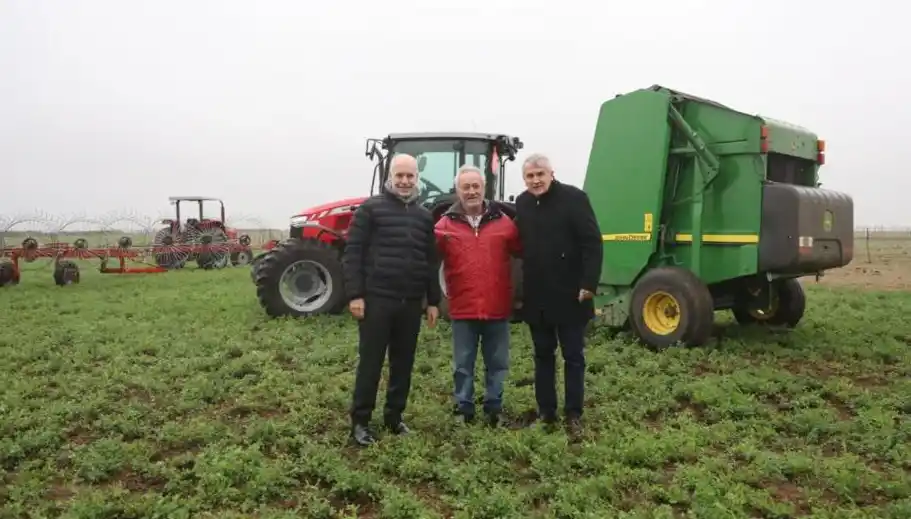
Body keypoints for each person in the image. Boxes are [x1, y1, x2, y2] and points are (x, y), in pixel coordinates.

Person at [342, 153, 441, 447]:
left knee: (403, 363)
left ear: (416, 179)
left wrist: (432, 300)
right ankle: (360, 422)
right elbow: (353, 253)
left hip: (409, 303)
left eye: (410, 176)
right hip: (376, 301)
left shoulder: (424, 216)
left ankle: (394, 417)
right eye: (400, 175)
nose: (405, 181)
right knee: (371, 363)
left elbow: (429, 261)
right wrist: (355, 294)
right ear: (390, 176)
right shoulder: (371, 210)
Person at [514, 153, 603, 434]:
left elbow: (592, 243)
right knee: (543, 355)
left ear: (552, 173)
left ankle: (574, 413)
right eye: (530, 176)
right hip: (537, 295)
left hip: (571, 294)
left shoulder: (574, 199)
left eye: (540, 174)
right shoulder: (523, 203)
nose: (536, 180)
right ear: (525, 179)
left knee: (573, 356)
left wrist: (588, 284)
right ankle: (546, 412)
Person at [434, 164, 521, 427]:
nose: (471, 191)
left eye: (476, 186)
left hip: (497, 307)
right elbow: (424, 260)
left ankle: (494, 408)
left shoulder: (505, 224)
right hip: (463, 307)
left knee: (497, 363)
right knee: (463, 364)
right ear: (457, 190)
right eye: (466, 187)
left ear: (484, 188)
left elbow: (525, 254)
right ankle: (464, 408)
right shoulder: (443, 226)